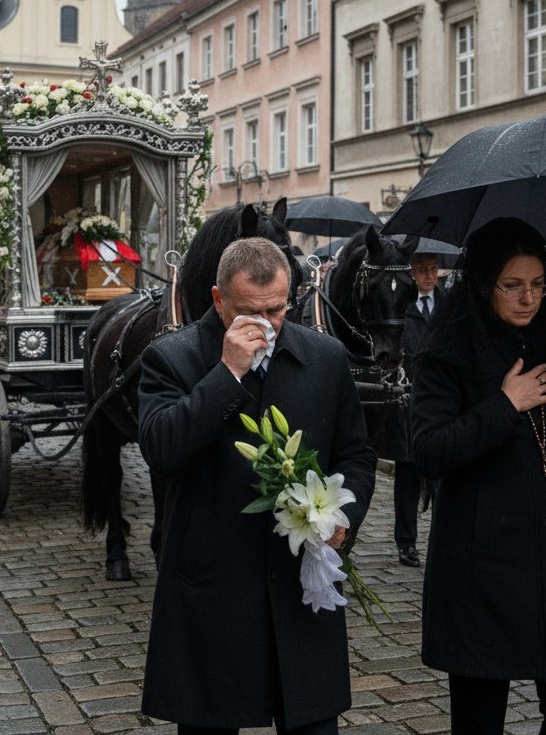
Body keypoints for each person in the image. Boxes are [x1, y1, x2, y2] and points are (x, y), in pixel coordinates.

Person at [137, 236, 376, 734]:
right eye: (249, 311)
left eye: (278, 310)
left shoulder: (326, 356)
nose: (266, 325)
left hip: (298, 589)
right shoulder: (171, 357)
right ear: (218, 299)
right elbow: (162, 449)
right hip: (213, 593)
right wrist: (227, 373)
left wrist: (342, 520)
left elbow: (356, 454)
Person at [412, 218, 546, 735]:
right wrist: (505, 404)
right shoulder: (447, 351)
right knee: (479, 723)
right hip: (482, 562)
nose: (529, 299)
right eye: (513, 285)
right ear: (484, 284)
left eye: (539, 285)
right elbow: (429, 451)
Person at [383, 251, 441, 567]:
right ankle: (406, 542)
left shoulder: (447, 303)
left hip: (440, 403)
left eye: (432, 269)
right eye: (422, 270)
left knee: (441, 475)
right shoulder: (400, 306)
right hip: (409, 400)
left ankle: (442, 538)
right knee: (408, 477)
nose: (428, 276)